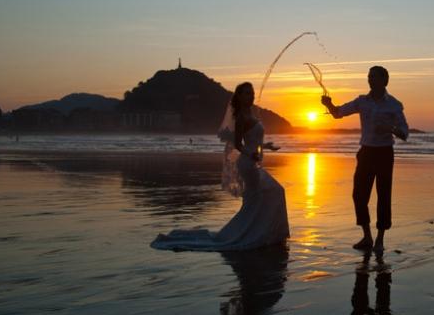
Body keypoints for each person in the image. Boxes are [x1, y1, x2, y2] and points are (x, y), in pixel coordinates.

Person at [151, 82, 289, 251]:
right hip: (248, 164)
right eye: (246, 93)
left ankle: (262, 232)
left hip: (251, 162)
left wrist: (266, 146)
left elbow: (254, 142)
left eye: (251, 93)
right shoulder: (241, 118)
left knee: (259, 198)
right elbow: (239, 144)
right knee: (266, 195)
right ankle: (256, 234)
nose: (251, 96)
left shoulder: (250, 115)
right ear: (239, 97)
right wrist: (250, 155)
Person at [322, 66, 409, 252]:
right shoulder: (362, 101)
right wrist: (328, 105)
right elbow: (338, 113)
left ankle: (380, 240)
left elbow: (405, 133)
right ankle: (367, 236)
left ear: (385, 81)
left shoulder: (394, 104)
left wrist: (391, 129)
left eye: (374, 77)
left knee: (383, 195)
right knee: (359, 196)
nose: (370, 80)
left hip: (385, 153)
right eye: (369, 77)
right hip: (366, 152)